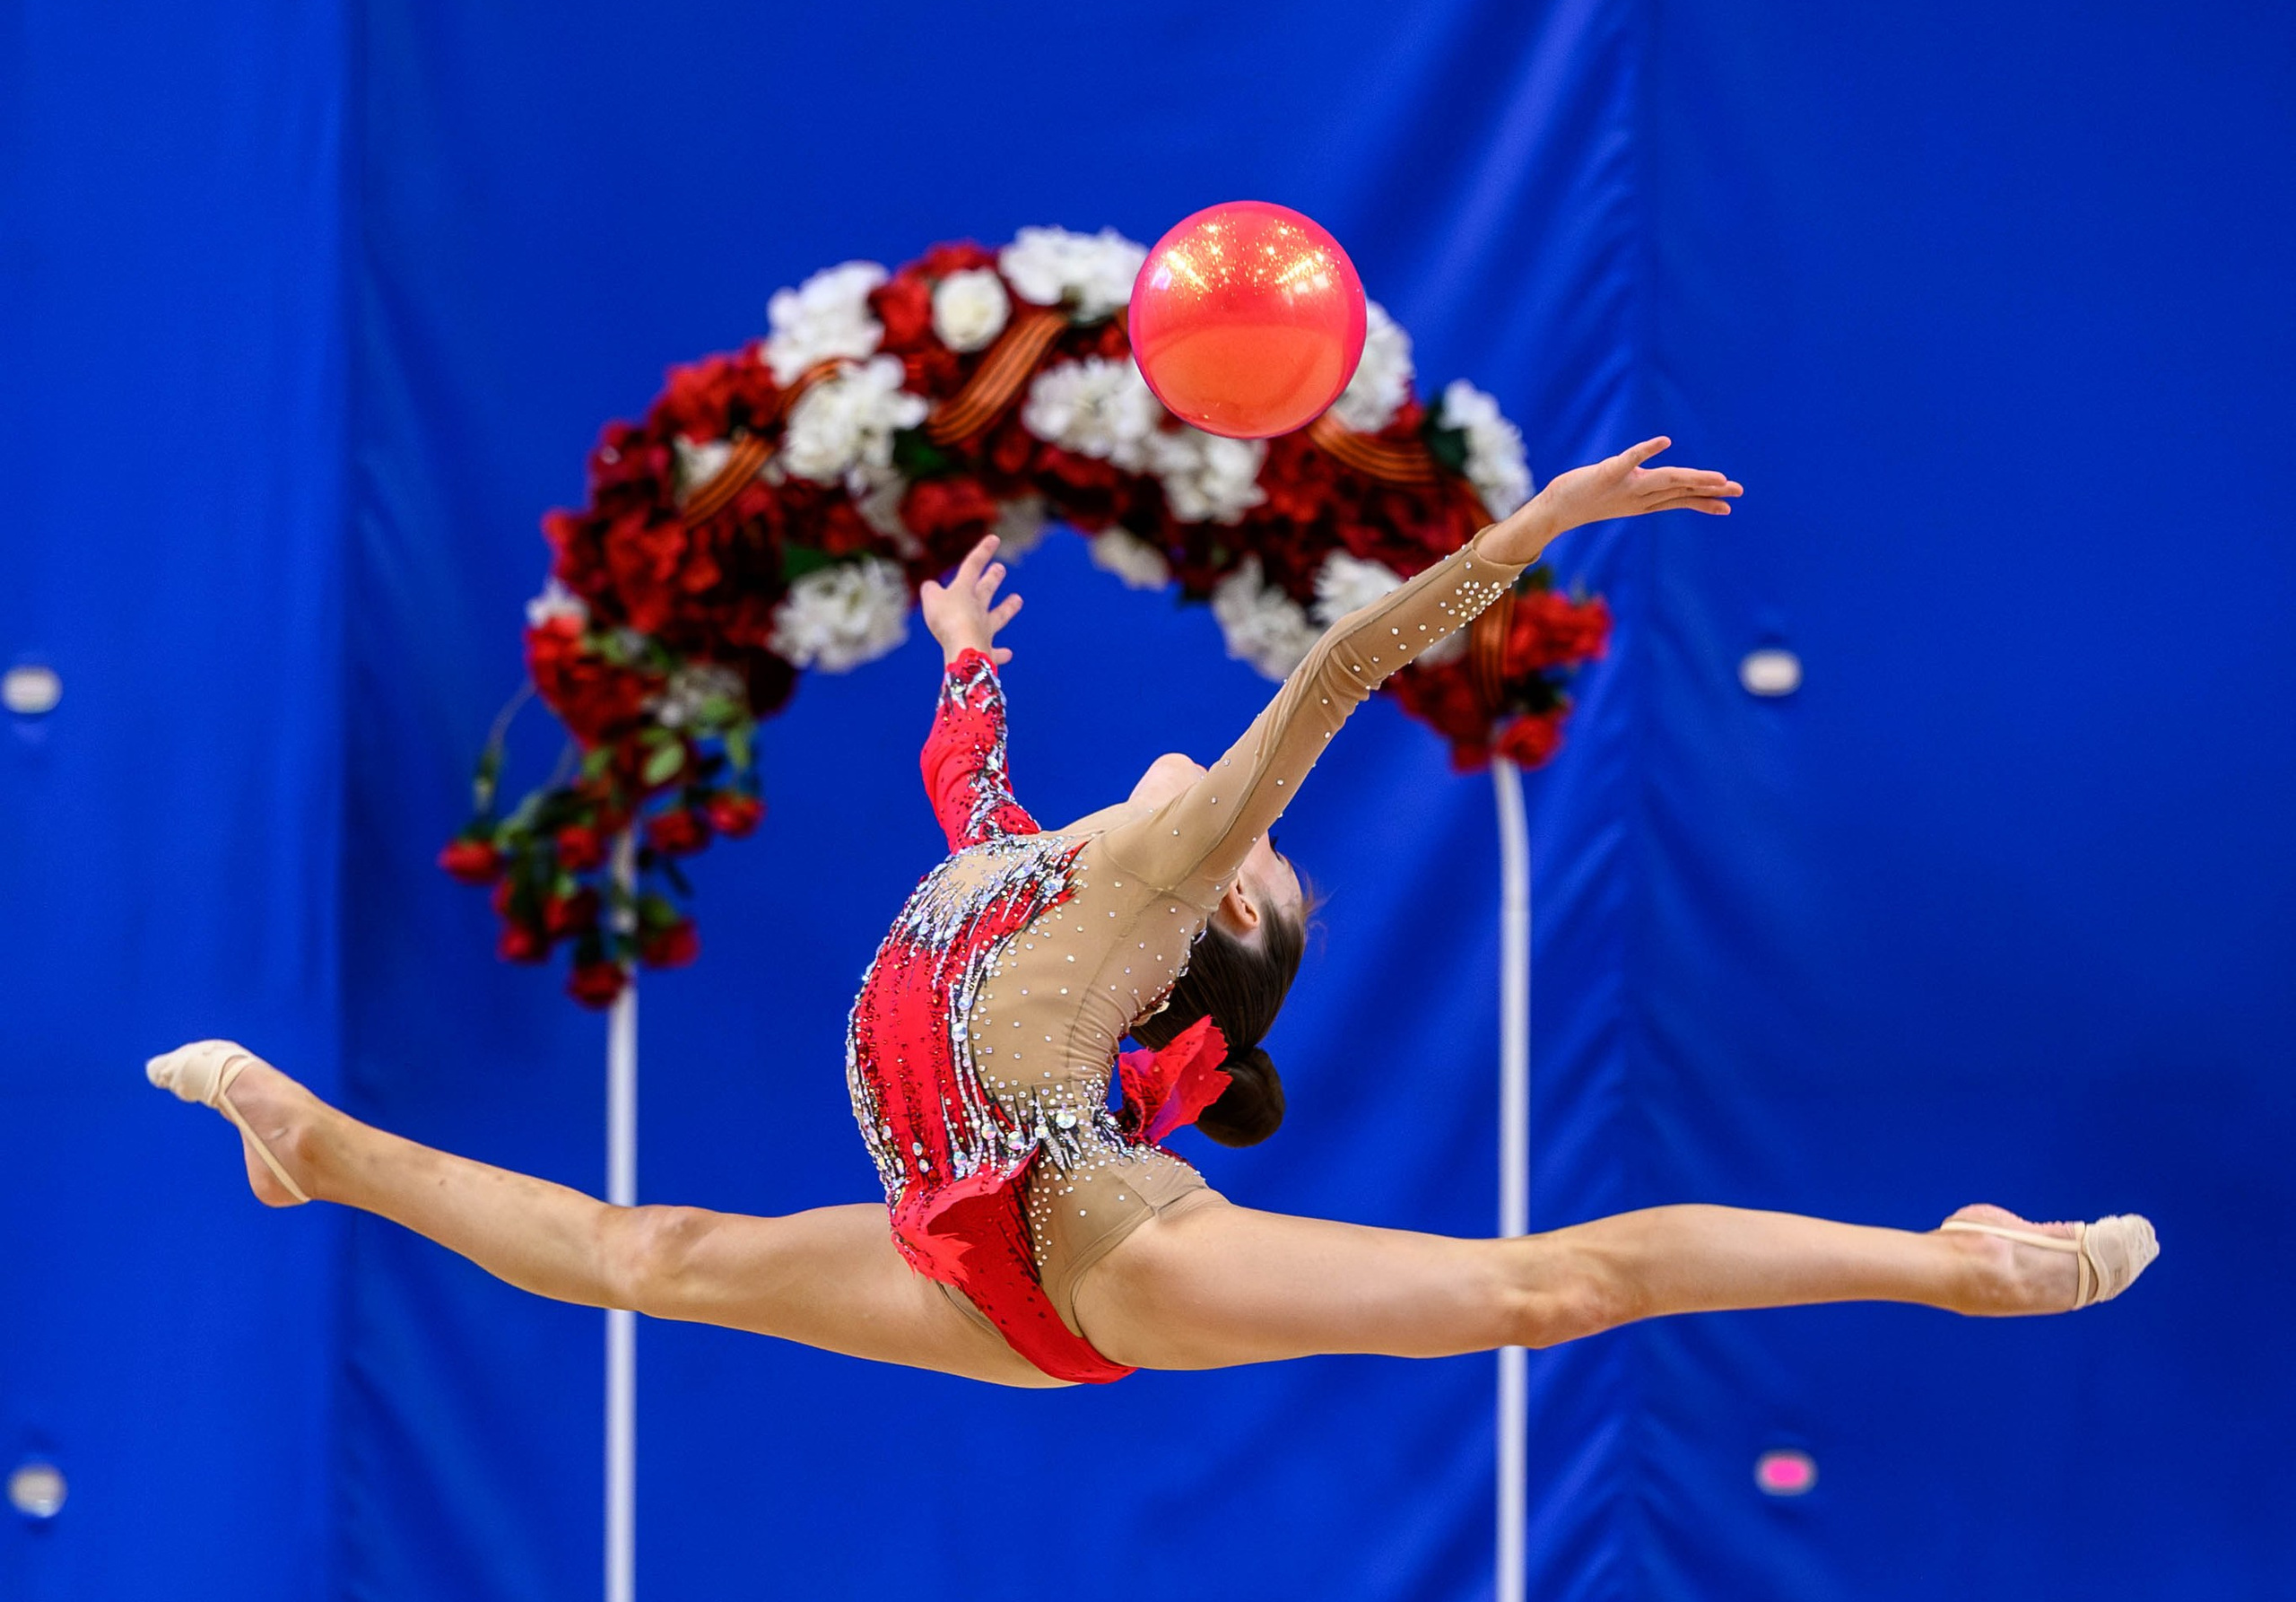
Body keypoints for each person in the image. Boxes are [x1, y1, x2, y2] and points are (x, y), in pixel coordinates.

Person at [148, 440, 2154, 1387]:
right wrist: (959, 662)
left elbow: (1339, 670)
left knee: (1537, 1293)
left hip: (1098, 1245)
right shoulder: (1023, 866)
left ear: (1209, 920)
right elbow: (965, 793)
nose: (1246, 824)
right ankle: (315, 1147)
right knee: (645, 1252)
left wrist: (1526, 536)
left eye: (1265, 865)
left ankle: (1954, 1263)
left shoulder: (1156, 871)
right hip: (956, 1258)